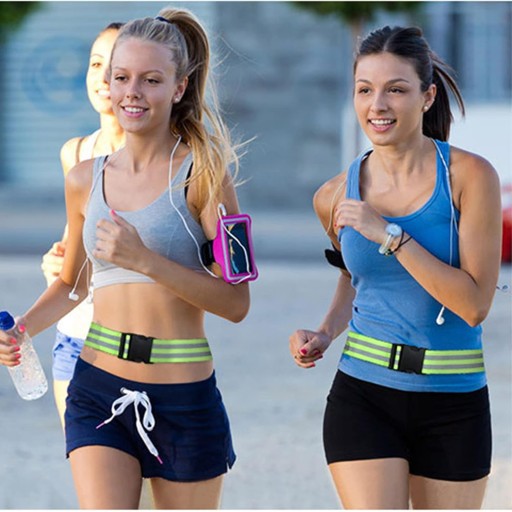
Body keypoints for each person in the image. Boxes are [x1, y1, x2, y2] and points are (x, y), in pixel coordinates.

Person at [0, 7, 249, 509]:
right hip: (97, 385)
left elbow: (237, 301)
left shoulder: (206, 175)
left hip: (184, 397)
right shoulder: (83, 178)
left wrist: (146, 260)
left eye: (150, 80)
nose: (132, 92)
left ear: (178, 88)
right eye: (121, 77)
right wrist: (22, 328)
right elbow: (73, 284)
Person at [289, 26, 501, 510]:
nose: (377, 105)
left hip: (454, 399)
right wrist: (325, 331)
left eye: (396, 90)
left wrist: (390, 235)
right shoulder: (333, 196)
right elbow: (353, 276)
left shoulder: (470, 177)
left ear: (427, 96)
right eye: (365, 90)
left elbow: (473, 305)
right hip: (363, 393)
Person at [41, 21, 125, 429]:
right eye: (95, 64)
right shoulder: (75, 153)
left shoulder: (176, 161)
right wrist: (56, 264)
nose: (103, 77)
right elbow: (74, 248)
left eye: (117, 67)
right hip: (75, 338)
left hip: (140, 345)